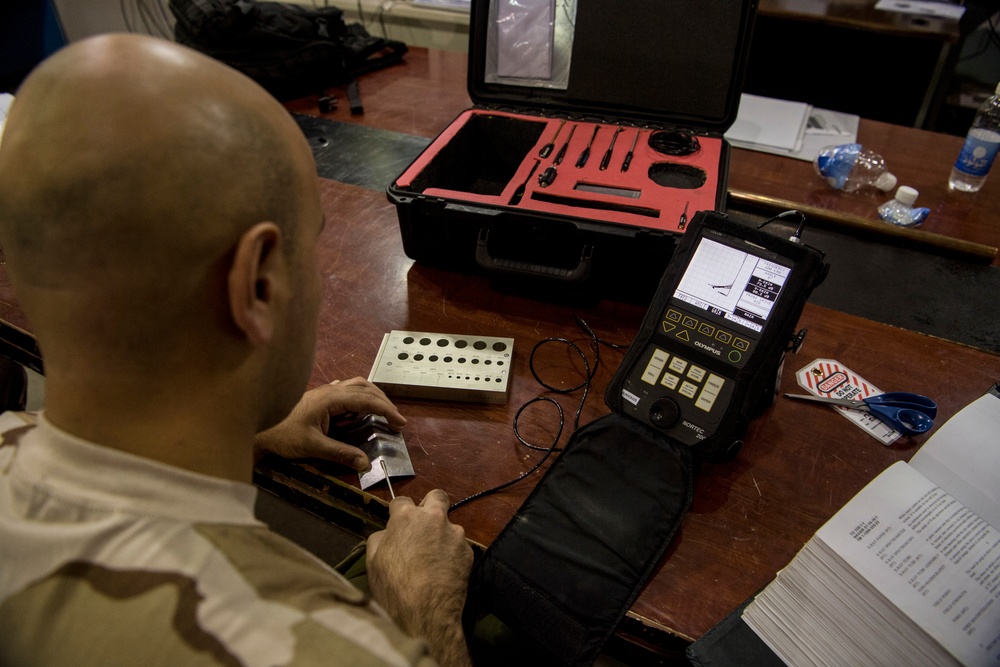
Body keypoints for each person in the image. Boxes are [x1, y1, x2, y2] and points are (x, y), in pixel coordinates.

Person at [0, 34, 473, 667]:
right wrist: (420, 615)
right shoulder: (323, 646)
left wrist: (244, 426)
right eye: (312, 249)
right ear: (257, 283)